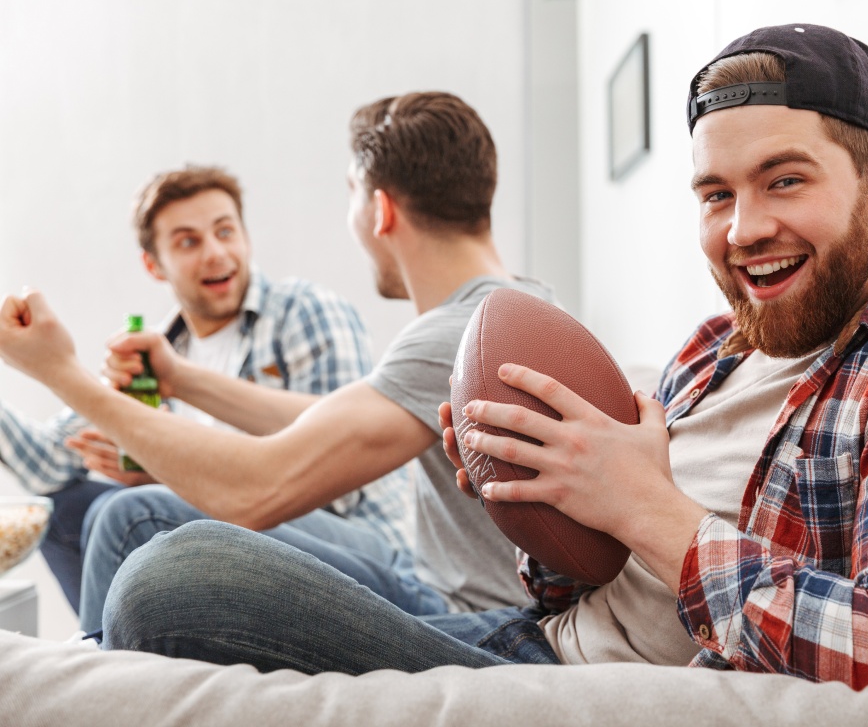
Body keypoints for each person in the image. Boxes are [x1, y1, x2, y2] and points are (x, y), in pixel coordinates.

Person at [2, 26, 868, 690]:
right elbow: (584, 584)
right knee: (142, 531)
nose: (742, 229)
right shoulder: (715, 346)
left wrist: (644, 505)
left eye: (785, 181)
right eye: (715, 195)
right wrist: (544, 504)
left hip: (564, 682)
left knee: (163, 569)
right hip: (533, 634)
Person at [1, 91, 553, 634]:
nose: (215, 253)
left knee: (133, 515)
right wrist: (180, 378)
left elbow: (256, 490)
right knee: (94, 509)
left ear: (379, 210)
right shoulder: (524, 308)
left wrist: (59, 371)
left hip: (465, 613)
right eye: (189, 241)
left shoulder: (453, 335)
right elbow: (325, 419)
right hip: (465, 593)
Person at [0, 165, 376, 613]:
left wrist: (170, 465)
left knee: (123, 510)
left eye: (225, 231)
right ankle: (123, 650)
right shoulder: (153, 353)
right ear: (153, 264)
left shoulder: (304, 311)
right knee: (67, 508)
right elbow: (47, 464)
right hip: (240, 536)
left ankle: (104, 661)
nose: (215, 253)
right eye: (188, 242)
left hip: (351, 542)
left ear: (245, 236)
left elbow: (344, 475)